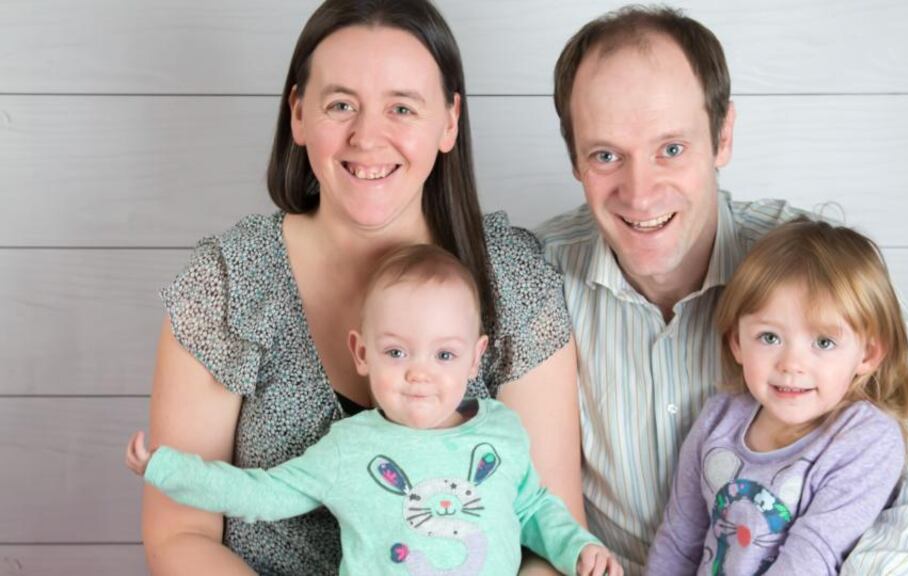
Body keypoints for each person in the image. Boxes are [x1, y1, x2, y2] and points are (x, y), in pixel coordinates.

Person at [536, 5, 908, 574]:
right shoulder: (534, 277)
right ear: (575, 160)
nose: (640, 194)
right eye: (606, 155)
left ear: (723, 135)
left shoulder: (821, 273)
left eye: (672, 149)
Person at [144, 1, 583, 574]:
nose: (368, 137)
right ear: (298, 114)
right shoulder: (227, 284)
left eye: (402, 107)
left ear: (449, 121)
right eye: (341, 104)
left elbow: (551, 534)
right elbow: (178, 532)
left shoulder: (512, 280)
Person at [129, 245, 621, 576]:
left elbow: (535, 509)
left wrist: (580, 550)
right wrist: (167, 468)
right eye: (396, 352)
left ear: (476, 357)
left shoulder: (502, 433)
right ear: (361, 352)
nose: (419, 374)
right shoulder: (350, 448)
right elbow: (262, 494)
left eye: (444, 355)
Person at [644, 220, 908, 574]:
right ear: (737, 342)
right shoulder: (719, 418)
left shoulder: (865, 438)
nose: (791, 364)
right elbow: (678, 540)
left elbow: (812, 556)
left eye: (823, 342)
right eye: (769, 337)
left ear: (867, 355)